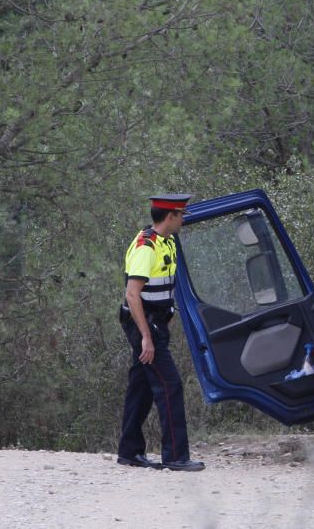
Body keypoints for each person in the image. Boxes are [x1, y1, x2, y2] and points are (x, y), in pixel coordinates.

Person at [116, 194, 205, 472]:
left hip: (156, 323)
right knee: (170, 385)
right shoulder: (146, 247)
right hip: (143, 324)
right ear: (170, 216)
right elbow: (132, 295)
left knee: (141, 387)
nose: (184, 218)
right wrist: (146, 336)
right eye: (182, 214)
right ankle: (176, 456)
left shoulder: (166, 241)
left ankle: (129, 451)